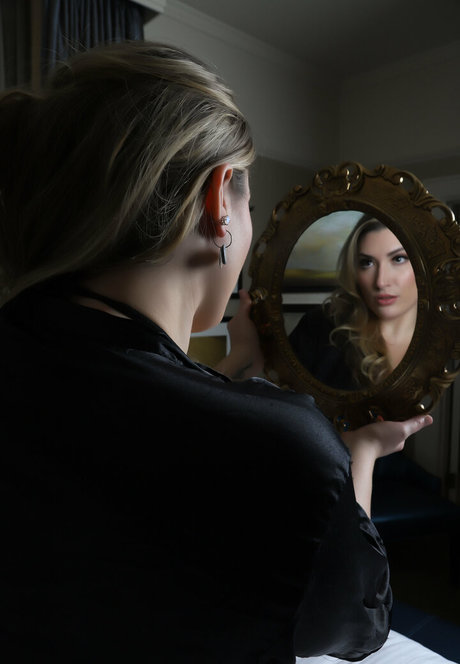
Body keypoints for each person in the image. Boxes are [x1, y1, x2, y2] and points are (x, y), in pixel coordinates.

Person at [0, 41, 432, 663]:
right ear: (218, 202)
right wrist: (358, 452)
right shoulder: (286, 447)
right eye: (247, 207)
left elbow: (135, 412)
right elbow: (352, 627)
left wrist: (232, 369)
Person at [289, 216, 418, 390]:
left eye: (398, 259)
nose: (381, 282)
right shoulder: (318, 328)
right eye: (367, 263)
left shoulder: (445, 339)